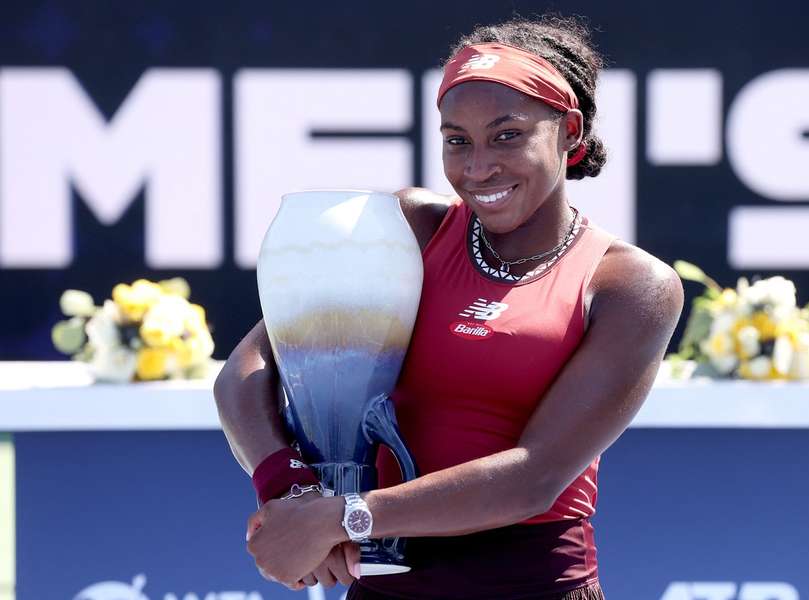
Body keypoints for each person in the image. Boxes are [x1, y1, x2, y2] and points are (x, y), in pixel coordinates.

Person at [214, 15, 683, 600]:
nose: (478, 166)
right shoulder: (405, 230)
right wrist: (289, 491)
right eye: (457, 139)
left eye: (508, 135)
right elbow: (246, 374)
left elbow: (534, 478)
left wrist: (343, 517)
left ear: (568, 131)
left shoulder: (631, 284)